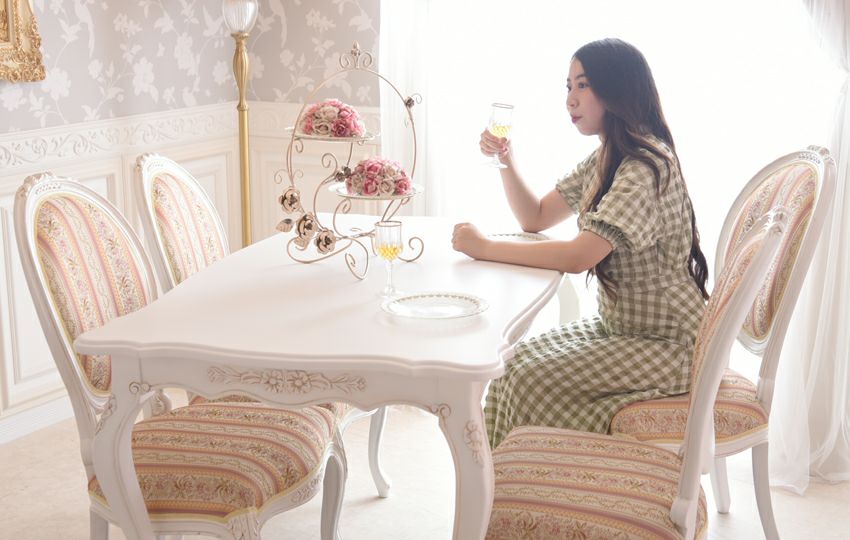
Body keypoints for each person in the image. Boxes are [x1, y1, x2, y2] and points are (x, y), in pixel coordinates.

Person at [452, 38, 710, 449]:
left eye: (583, 85)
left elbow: (578, 256)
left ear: (617, 88)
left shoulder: (644, 166)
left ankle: (528, 475)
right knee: (509, 364)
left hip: (670, 345)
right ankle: (505, 480)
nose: (570, 99)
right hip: (622, 329)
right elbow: (535, 216)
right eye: (568, 86)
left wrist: (483, 247)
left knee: (527, 379)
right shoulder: (607, 157)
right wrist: (505, 159)